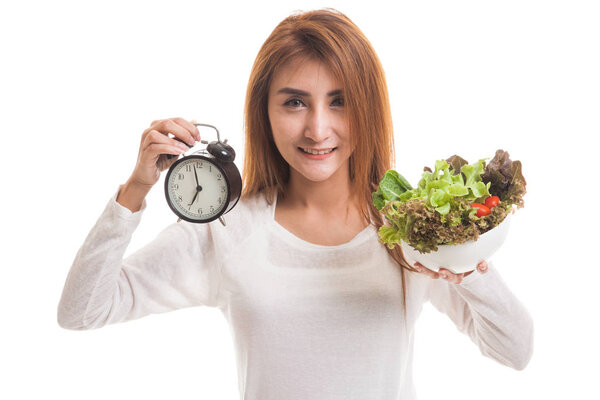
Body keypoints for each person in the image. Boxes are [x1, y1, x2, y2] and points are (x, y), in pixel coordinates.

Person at [57, 8, 534, 400]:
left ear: (368, 108)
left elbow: (516, 350)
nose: (318, 129)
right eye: (294, 103)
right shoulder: (226, 230)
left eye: (340, 101)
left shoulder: (407, 228)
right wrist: (136, 188)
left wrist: (465, 265)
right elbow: (82, 311)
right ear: (264, 112)